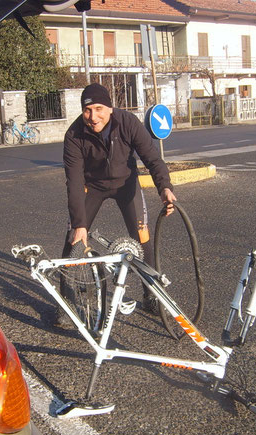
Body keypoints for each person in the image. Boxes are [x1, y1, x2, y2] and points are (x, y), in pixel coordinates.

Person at [60, 83, 177, 319]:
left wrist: (164, 187)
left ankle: (151, 294)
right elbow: (73, 181)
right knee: (74, 238)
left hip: (126, 184)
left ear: (110, 108)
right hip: (92, 186)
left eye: (99, 108)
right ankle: (66, 300)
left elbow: (152, 158)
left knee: (143, 241)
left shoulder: (128, 123)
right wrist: (79, 223)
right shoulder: (74, 135)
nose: (93, 117)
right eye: (88, 110)